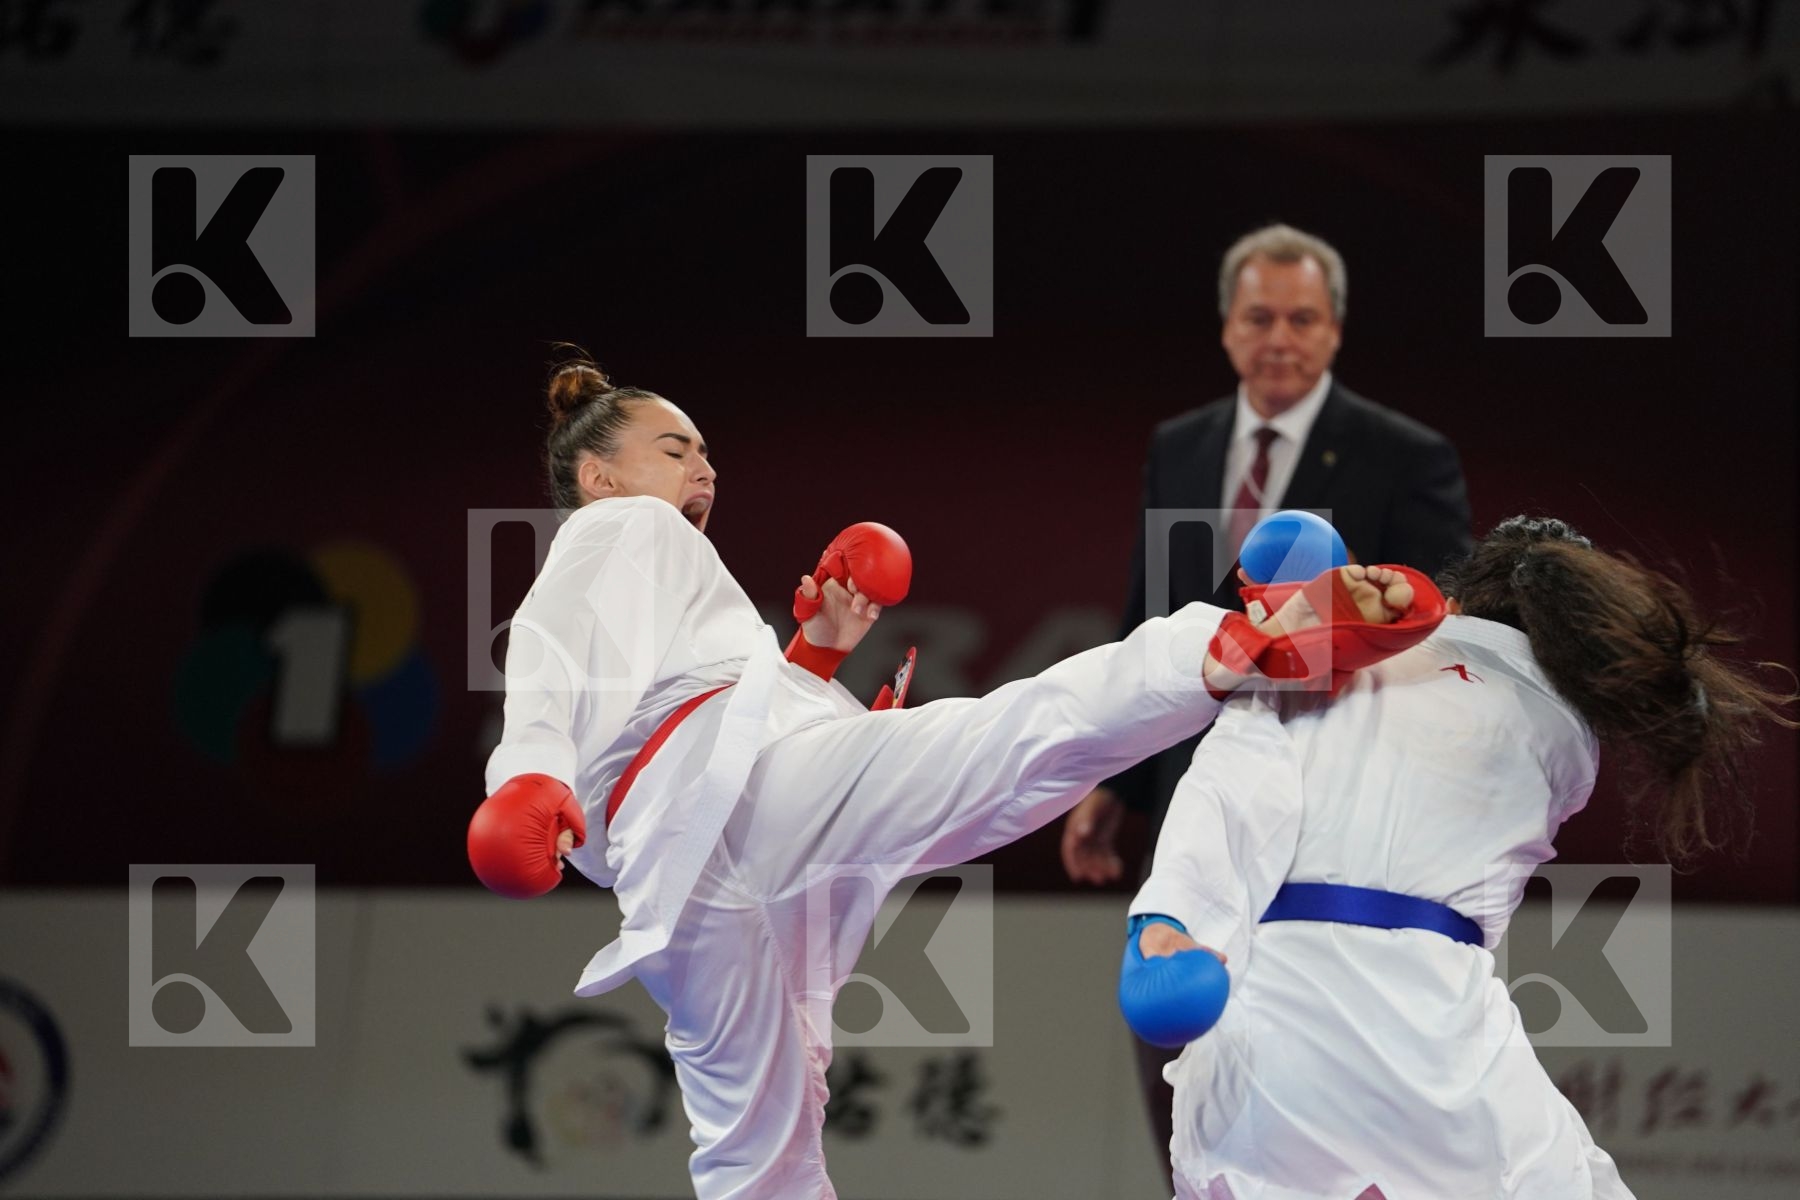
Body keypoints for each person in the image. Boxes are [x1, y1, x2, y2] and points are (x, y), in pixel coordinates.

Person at [467, 350, 1434, 1200]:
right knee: (1003, 745)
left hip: (687, 877)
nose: (706, 468)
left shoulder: (671, 580)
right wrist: (525, 773)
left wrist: (811, 658)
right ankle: (1243, 637)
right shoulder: (622, 529)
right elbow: (553, 651)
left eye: (708, 452)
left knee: (752, 1153)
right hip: (725, 818)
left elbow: (681, 710)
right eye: (675, 449)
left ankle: (1236, 645)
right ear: (598, 476)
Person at [1126, 516, 1798, 1199]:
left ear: (1461, 596)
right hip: (1437, 1033)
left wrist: (1165, 920)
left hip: (1273, 1019)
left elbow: (1227, 786)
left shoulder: (1330, 649)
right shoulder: (1568, 739)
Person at [1060, 223, 1474, 1185]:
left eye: (1302, 318)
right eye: (1259, 317)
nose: (1279, 337)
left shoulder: (1402, 454)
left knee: (1305, 1020)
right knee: (1176, 1008)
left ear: (1334, 332)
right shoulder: (1184, 445)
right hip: (1190, 778)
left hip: (1335, 791)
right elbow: (1149, 617)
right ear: (1226, 329)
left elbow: (1437, 621)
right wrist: (1111, 779)